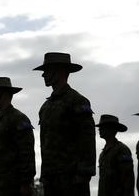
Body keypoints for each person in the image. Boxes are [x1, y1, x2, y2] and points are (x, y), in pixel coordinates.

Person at [34, 52, 95, 196]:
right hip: (51, 178)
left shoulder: (77, 101)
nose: (43, 75)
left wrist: (84, 172)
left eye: (47, 71)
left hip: (72, 178)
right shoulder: (45, 107)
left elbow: (87, 137)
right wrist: (45, 175)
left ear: (60, 71)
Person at [0, 77, 35, 196]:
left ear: (3, 94)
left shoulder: (18, 119)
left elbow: (27, 153)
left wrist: (26, 183)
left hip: (14, 186)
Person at [96, 114, 134, 196]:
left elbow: (128, 180)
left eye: (103, 127)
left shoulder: (122, 150)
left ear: (111, 129)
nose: (99, 129)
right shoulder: (103, 153)